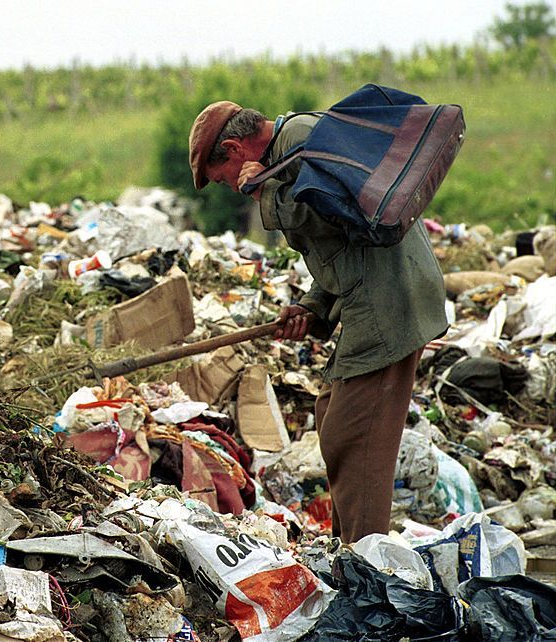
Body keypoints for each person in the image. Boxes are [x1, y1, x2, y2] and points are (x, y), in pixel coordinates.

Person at [188, 101, 448, 543]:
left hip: (389, 303)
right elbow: (340, 242)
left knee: (354, 437)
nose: (231, 187)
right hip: (377, 297)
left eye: (223, 178)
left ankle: (366, 564)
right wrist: (310, 306)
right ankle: (353, 552)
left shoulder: (304, 142)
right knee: (334, 418)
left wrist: (263, 193)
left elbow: (337, 212)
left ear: (233, 149)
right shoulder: (291, 152)